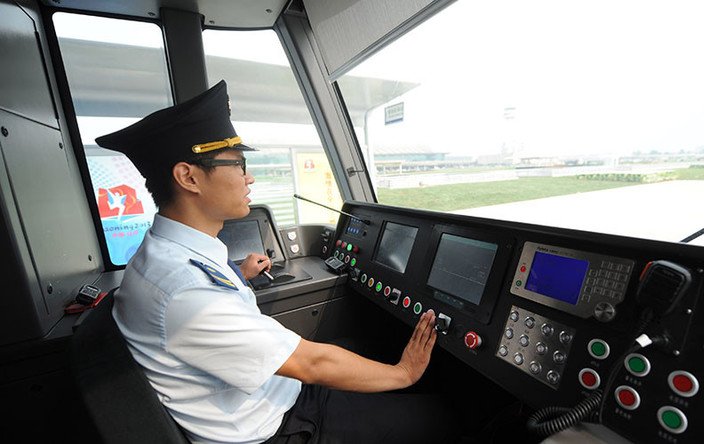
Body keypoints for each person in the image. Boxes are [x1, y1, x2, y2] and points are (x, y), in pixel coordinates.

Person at [95, 80, 459, 444]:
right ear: (188, 177)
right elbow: (310, 364)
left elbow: (190, 299)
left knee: (358, 344)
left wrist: (239, 273)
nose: (248, 176)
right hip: (282, 426)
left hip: (272, 393)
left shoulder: (164, 252)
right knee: (441, 417)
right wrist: (404, 374)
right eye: (238, 164)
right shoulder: (185, 291)